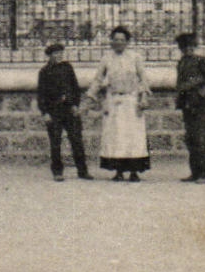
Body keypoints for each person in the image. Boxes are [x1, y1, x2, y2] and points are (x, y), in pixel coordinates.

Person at [87, 25, 151, 181]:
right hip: (113, 101)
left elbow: (143, 79)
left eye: (122, 40)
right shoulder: (106, 58)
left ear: (127, 42)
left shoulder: (135, 57)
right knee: (116, 136)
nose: (118, 43)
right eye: (115, 40)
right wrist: (90, 95)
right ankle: (119, 171)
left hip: (131, 101)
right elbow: (98, 79)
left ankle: (134, 172)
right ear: (111, 41)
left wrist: (143, 98)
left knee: (133, 136)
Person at [36, 43, 91, 182]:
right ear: (49, 55)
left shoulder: (68, 68)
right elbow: (41, 94)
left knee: (76, 140)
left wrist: (75, 104)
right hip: (54, 111)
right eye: (55, 53)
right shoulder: (44, 72)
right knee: (55, 142)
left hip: (69, 110)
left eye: (60, 53)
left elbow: (75, 88)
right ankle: (57, 172)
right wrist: (45, 113)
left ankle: (82, 171)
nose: (59, 56)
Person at [174, 31, 205, 184]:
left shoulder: (202, 61)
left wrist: (202, 94)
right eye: (184, 47)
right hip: (187, 104)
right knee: (191, 139)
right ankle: (196, 172)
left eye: (191, 46)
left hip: (199, 105)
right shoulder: (182, 63)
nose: (188, 50)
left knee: (201, 138)